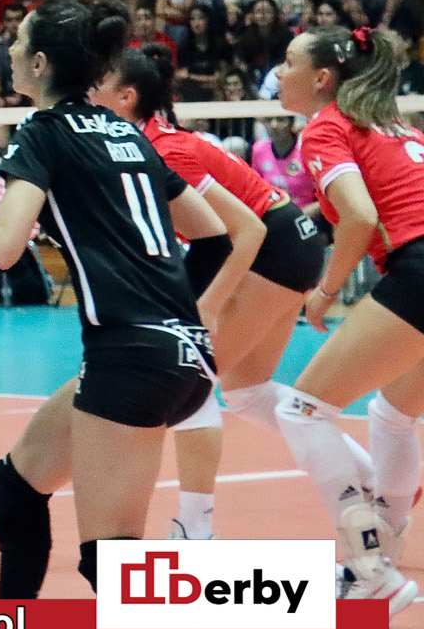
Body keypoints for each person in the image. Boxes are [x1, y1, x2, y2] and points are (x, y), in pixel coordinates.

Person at [0, 1, 306, 629]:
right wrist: (178, 318)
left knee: (113, 565)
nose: (4, 49)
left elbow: (5, 247)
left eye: (14, 43)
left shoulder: (43, 132)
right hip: (171, 353)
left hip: (133, 358)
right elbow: (217, 234)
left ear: (40, 64)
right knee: (17, 483)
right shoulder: (127, 134)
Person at [95, 45, 327, 542]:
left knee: (191, 375)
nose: (90, 92)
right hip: (285, 242)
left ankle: (195, 528)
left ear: (128, 97)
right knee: (246, 393)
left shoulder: (164, 149)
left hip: (271, 245)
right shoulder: (144, 144)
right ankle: (368, 477)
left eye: (101, 83)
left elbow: (241, 232)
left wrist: (209, 305)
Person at [271, 25, 424, 612]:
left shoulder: (326, 126)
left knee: (301, 409)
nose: (279, 74)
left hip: (418, 272)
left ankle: (369, 573)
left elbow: (358, 217)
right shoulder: (398, 128)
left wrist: (325, 291)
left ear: (323, 79)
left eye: (288, 63)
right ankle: (388, 536)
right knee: (393, 412)